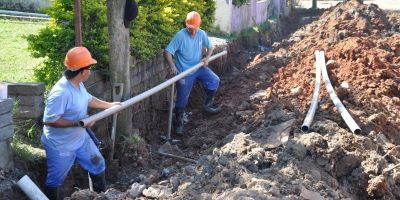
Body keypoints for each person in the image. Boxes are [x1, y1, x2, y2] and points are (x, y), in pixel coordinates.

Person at [42, 46, 120, 200]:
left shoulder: (78, 84)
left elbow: (88, 99)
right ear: (83, 71)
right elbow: (49, 120)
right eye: (89, 68)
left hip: (79, 138)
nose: (90, 71)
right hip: (61, 144)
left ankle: (98, 197)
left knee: (98, 164)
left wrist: (110, 105)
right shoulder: (61, 92)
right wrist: (79, 123)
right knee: (55, 180)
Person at [164, 11, 221, 135]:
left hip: (198, 68)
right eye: (191, 29)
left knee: (214, 80)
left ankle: (207, 106)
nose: (193, 31)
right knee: (182, 99)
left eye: (195, 29)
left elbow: (210, 47)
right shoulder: (180, 36)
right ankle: (178, 122)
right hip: (184, 72)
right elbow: (168, 51)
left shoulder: (201, 34)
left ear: (199, 26)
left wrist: (206, 58)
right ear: (186, 25)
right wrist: (172, 66)